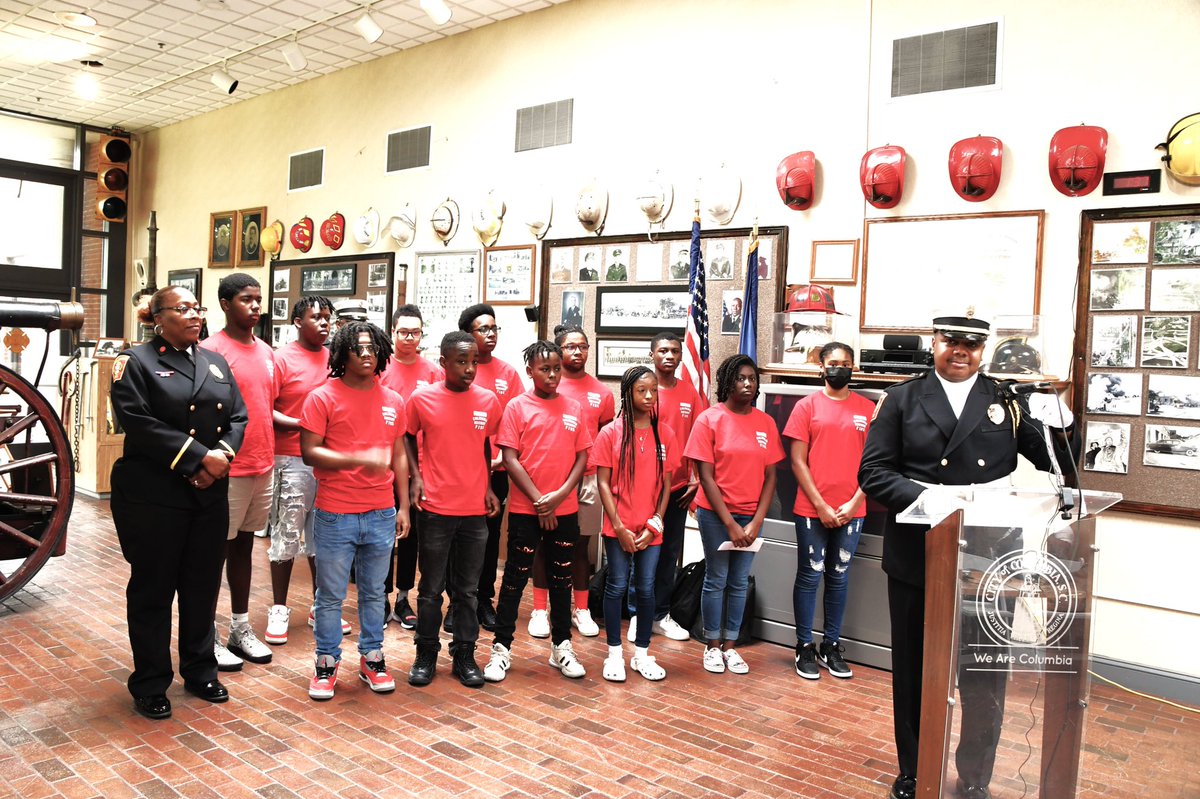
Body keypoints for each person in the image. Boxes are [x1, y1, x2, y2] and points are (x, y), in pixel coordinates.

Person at [858, 314, 1075, 799]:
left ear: (983, 350)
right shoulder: (902, 400)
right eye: (952, 342)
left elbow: (1059, 464)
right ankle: (915, 770)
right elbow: (872, 473)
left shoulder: (1006, 402)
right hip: (921, 550)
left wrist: (1062, 421)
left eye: (972, 345)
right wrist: (931, 500)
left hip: (990, 555)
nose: (961, 352)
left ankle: (976, 775)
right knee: (916, 672)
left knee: (983, 675)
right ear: (935, 343)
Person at [109, 285, 246, 719]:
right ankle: (150, 682)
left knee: (201, 586)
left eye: (197, 308)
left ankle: (200, 670)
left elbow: (238, 416)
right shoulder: (135, 362)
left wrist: (221, 457)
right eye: (183, 309)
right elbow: (137, 422)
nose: (194, 315)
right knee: (153, 590)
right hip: (155, 496)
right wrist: (198, 459)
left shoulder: (215, 361)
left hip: (209, 494)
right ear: (157, 318)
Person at [300, 322, 410, 700]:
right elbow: (309, 451)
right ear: (342, 354)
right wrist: (355, 457)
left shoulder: (393, 401)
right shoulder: (322, 398)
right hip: (335, 513)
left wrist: (404, 506)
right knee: (329, 596)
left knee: (374, 593)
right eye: (358, 348)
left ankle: (372, 657)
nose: (367, 354)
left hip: (381, 512)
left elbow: (399, 456)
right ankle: (326, 663)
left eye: (373, 348)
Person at [483, 341, 592, 683]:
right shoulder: (516, 407)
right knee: (515, 579)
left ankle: (562, 646)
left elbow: (582, 458)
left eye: (557, 368)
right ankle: (501, 649)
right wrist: (539, 501)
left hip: (566, 508)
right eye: (545, 369)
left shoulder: (574, 407)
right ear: (530, 371)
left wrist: (558, 497)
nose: (553, 375)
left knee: (562, 579)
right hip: (525, 509)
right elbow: (510, 458)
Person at [405, 331, 502, 688]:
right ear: (443, 363)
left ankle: (464, 653)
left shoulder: (489, 401)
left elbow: (486, 445)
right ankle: (425, 651)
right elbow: (406, 435)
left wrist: (489, 487)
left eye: (474, 361)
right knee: (430, 589)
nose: (469, 368)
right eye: (461, 361)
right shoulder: (421, 399)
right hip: (434, 507)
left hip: (474, 508)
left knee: (468, 590)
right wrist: (416, 477)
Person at [684, 354, 784, 675]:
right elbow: (706, 476)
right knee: (717, 579)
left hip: (751, 516)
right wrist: (729, 523)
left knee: (739, 582)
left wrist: (755, 521)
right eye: (740, 378)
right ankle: (712, 646)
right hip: (716, 515)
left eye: (752, 379)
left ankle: (730, 647)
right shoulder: (709, 419)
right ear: (727, 382)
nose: (747, 384)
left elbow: (771, 478)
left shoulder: (766, 423)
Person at [783, 342, 874, 680]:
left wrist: (852, 504)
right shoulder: (806, 407)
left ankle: (831, 645)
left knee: (839, 576)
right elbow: (797, 460)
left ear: (854, 368)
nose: (840, 368)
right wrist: (821, 505)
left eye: (846, 363)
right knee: (810, 574)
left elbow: (874, 464)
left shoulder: (868, 408)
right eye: (834, 363)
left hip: (854, 509)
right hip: (811, 508)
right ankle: (804, 645)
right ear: (821, 368)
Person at [200, 273, 276, 671]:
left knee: (245, 547)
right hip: (228, 467)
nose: (255, 306)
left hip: (263, 463)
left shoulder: (266, 351)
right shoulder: (210, 350)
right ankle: (206, 634)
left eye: (259, 299)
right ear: (226, 304)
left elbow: (265, 406)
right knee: (214, 552)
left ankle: (240, 627)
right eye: (247, 299)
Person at [592, 365, 680, 682]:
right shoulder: (611, 433)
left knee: (645, 588)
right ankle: (614, 654)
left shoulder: (665, 434)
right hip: (619, 528)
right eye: (642, 390)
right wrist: (617, 526)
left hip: (650, 530)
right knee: (616, 586)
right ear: (628, 392)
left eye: (654, 390)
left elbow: (667, 484)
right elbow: (603, 483)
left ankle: (642, 653)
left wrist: (655, 523)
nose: (649, 396)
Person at [527, 326, 614, 640]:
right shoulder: (550, 385)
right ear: (558, 350)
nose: (577, 352)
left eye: (583, 346)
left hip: (587, 478)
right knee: (543, 544)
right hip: (549, 480)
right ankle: (540, 609)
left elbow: (606, 437)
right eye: (570, 347)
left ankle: (581, 609)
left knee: (580, 548)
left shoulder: (602, 393)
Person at [264, 296, 334, 647]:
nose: (323, 323)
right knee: (287, 533)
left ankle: (321, 607)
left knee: (322, 538)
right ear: (296, 321)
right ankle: (279, 607)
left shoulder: (335, 358)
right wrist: (304, 424)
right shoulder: (281, 359)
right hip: (291, 457)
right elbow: (266, 409)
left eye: (327, 317)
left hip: (327, 461)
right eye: (315, 317)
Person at [627, 332, 703, 643]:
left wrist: (696, 476)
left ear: (681, 356)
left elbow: (699, 438)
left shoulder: (689, 392)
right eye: (662, 350)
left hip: (680, 487)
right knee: (643, 550)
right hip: (645, 488)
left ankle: (659, 614)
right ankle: (636, 614)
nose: (668, 356)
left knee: (670, 551)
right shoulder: (644, 390)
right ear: (652, 354)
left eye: (674, 351)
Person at [458, 303, 523, 633]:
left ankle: (484, 601)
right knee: (457, 541)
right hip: (458, 475)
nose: (491, 334)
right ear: (467, 334)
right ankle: (457, 604)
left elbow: (517, 421)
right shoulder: (457, 368)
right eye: (483, 329)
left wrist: (502, 456)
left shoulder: (508, 374)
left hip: (494, 473)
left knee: (486, 539)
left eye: (494, 328)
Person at [379, 304, 444, 631]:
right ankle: (380, 597)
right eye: (403, 331)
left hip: (420, 469)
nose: (409, 338)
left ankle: (403, 597)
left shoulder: (433, 371)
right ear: (393, 332)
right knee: (381, 536)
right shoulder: (379, 368)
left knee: (411, 536)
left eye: (415, 332)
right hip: (382, 467)